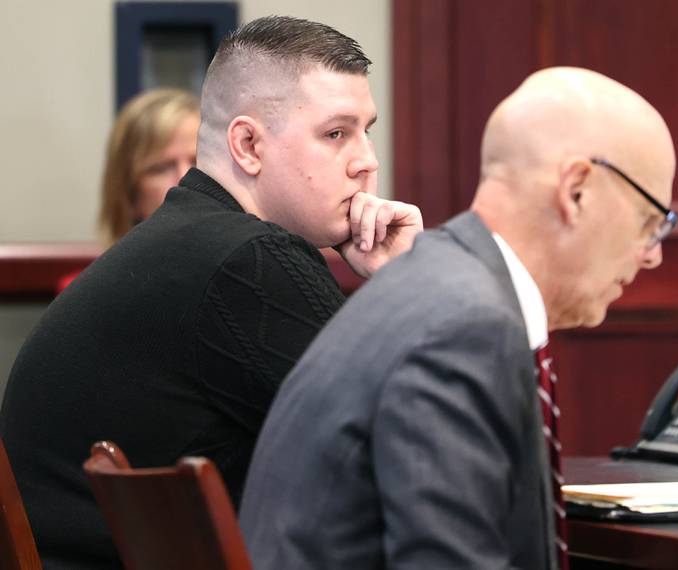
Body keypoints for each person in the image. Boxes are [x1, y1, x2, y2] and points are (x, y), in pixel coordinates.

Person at [0, 15, 422, 570]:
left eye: (367, 129)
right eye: (336, 133)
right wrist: (413, 283)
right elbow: (421, 448)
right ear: (247, 144)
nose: (367, 160)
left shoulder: (183, 244)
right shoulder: (247, 262)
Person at [239, 66, 678, 569]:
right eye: (650, 222)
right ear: (576, 190)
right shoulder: (465, 327)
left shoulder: (438, 289)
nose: (651, 256)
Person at [57, 88, 200, 292]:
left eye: (198, 162)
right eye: (160, 168)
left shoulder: (250, 277)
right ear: (129, 194)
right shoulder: (86, 295)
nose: (186, 179)